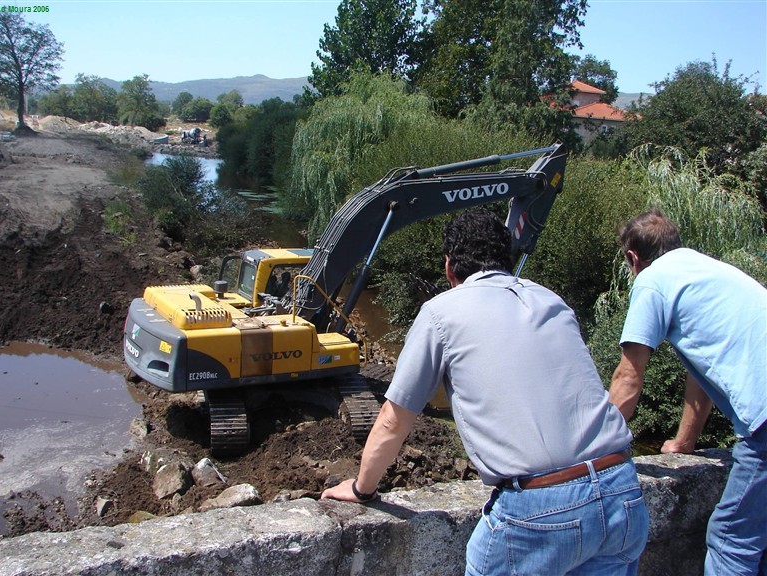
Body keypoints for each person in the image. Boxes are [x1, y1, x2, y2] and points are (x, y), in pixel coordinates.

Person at [323, 208, 648, 575]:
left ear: (449, 267)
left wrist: (362, 489)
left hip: (540, 508)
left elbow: (393, 421)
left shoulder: (440, 312)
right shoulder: (551, 299)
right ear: (507, 259)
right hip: (622, 490)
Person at [608, 209, 767, 575]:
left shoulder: (652, 281)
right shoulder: (708, 269)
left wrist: (589, 453)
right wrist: (683, 443)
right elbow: (706, 373)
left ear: (633, 258)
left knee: (731, 540)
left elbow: (628, 378)